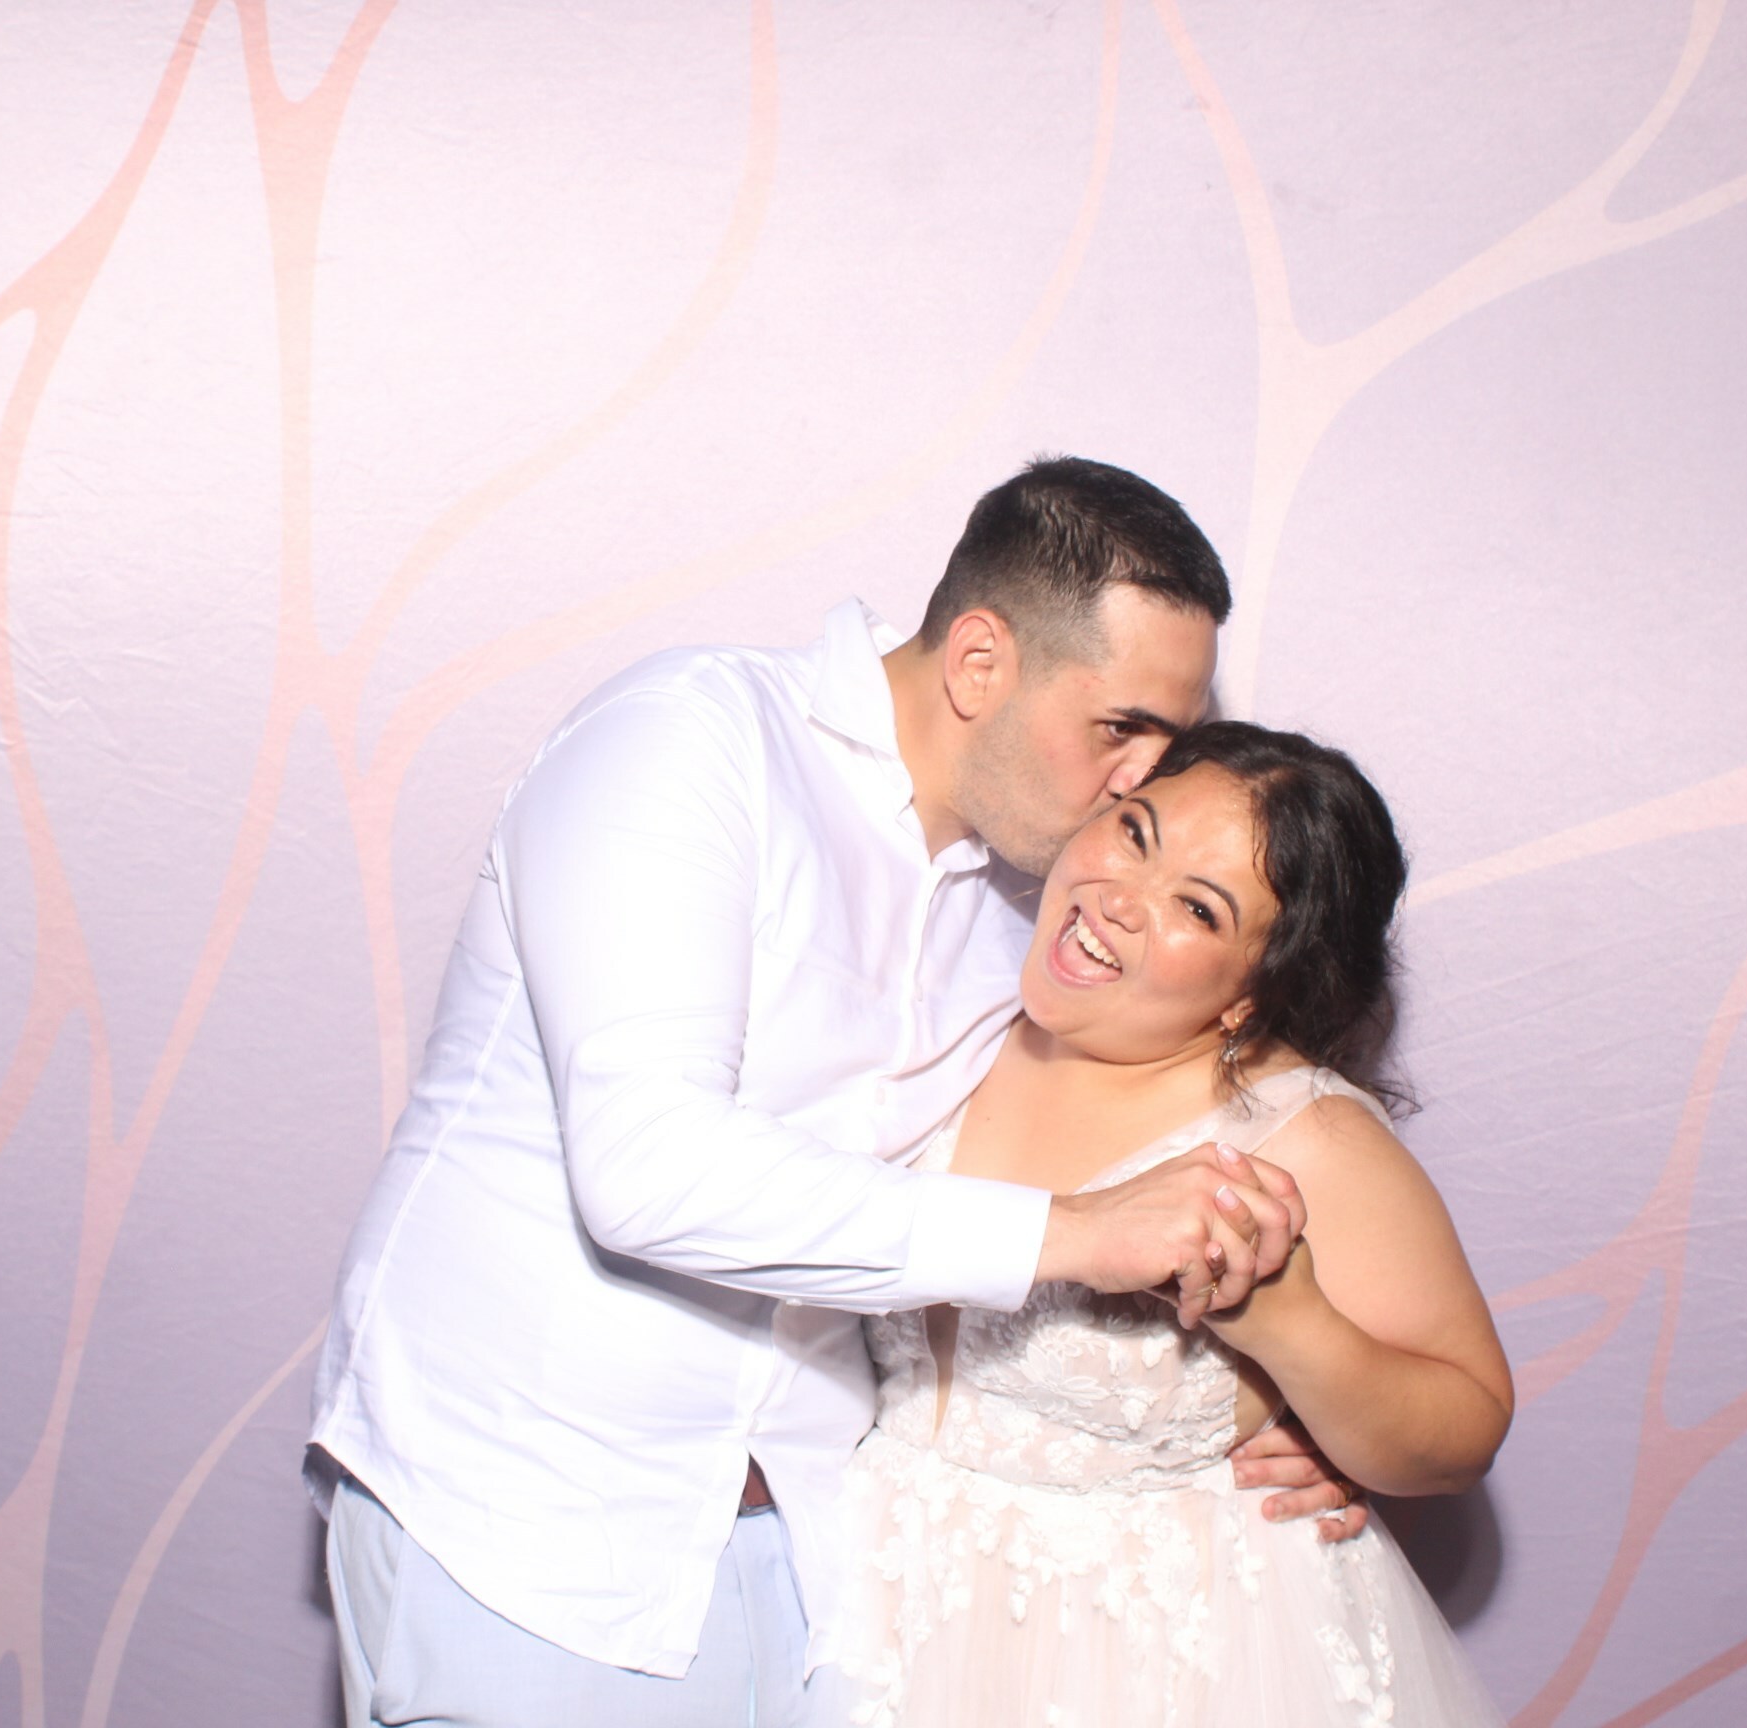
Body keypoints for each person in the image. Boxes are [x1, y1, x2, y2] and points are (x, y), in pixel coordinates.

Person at [308, 458, 1363, 1728]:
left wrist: (1278, 1419)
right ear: (980, 661)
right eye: (1120, 728)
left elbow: (1184, 1101)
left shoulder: (1048, 907)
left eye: (1165, 745)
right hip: (522, 1528)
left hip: (821, 1560)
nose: (1139, 779)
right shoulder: (688, 742)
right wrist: (1078, 1235)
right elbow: (648, 1170)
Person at [841, 722, 1513, 1727]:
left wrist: (1294, 1334)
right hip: (878, 1606)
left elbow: (1464, 1430)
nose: (1119, 898)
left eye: (1198, 907)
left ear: (1254, 992)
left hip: (1163, 1659)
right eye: (1135, 832)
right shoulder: (948, 1014)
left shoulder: (1303, 1135)